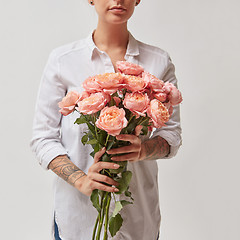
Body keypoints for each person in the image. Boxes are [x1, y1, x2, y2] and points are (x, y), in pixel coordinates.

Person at [30, 0, 182, 239]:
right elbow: (43, 138)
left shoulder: (159, 62)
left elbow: (171, 135)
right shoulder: (63, 60)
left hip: (138, 220)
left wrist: (143, 149)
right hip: (77, 221)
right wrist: (80, 180)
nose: (118, 0)